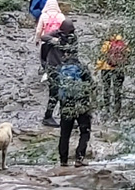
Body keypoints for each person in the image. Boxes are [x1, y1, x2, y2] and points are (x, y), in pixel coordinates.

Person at [56, 31, 94, 167]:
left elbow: (55, 88)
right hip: (81, 103)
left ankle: (63, 160)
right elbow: (91, 85)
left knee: (64, 134)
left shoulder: (60, 69)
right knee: (85, 132)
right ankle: (79, 158)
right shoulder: (82, 68)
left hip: (66, 104)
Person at [42, 19, 78, 127]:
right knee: (54, 93)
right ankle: (48, 117)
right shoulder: (56, 34)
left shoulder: (72, 39)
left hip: (66, 69)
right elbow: (43, 37)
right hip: (54, 68)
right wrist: (55, 40)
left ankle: (65, 118)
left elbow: (74, 53)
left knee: (66, 94)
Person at [34, 0, 66, 70]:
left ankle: (44, 70)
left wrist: (37, 39)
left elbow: (39, 30)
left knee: (44, 59)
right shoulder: (61, 16)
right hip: (57, 40)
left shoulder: (43, 15)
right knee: (57, 59)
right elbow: (65, 29)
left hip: (45, 40)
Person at [97, 35, 129, 118]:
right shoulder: (122, 43)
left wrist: (97, 68)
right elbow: (127, 55)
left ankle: (107, 109)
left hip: (106, 69)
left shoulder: (106, 43)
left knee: (106, 89)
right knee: (117, 90)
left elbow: (102, 56)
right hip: (119, 68)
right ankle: (117, 112)